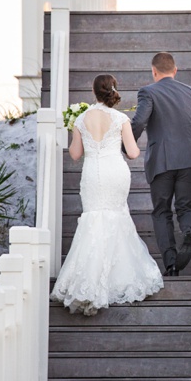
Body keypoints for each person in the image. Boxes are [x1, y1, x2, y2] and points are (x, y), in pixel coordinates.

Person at [50, 74, 164, 316]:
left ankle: (88, 282)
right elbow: (132, 153)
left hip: (93, 173)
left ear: (93, 92)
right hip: (115, 172)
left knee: (93, 218)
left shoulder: (81, 119)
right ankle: (119, 279)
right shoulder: (120, 118)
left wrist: (75, 133)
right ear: (112, 91)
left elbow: (75, 154)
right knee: (116, 216)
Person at [131, 52, 191, 277]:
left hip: (161, 162)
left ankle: (171, 263)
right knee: (187, 208)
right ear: (175, 70)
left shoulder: (148, 92)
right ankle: (189, 232)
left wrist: (126, 146)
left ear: (154, 72)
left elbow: (139, 121)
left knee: (162, 211)